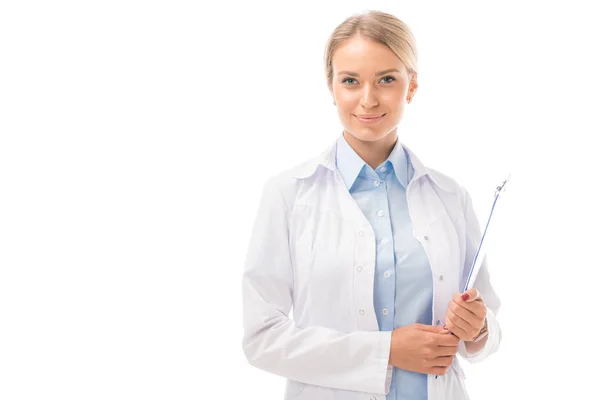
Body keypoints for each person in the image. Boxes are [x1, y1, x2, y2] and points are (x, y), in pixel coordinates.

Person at [241, 10, 501, 400]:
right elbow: (262, 337)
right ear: (331, 87)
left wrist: (478, 329)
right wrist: (387, 351)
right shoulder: (289, 195)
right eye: (350, 81)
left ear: (411, 86)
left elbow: (486, 326)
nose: (368, 99)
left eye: (387, 80)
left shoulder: (449, 197)